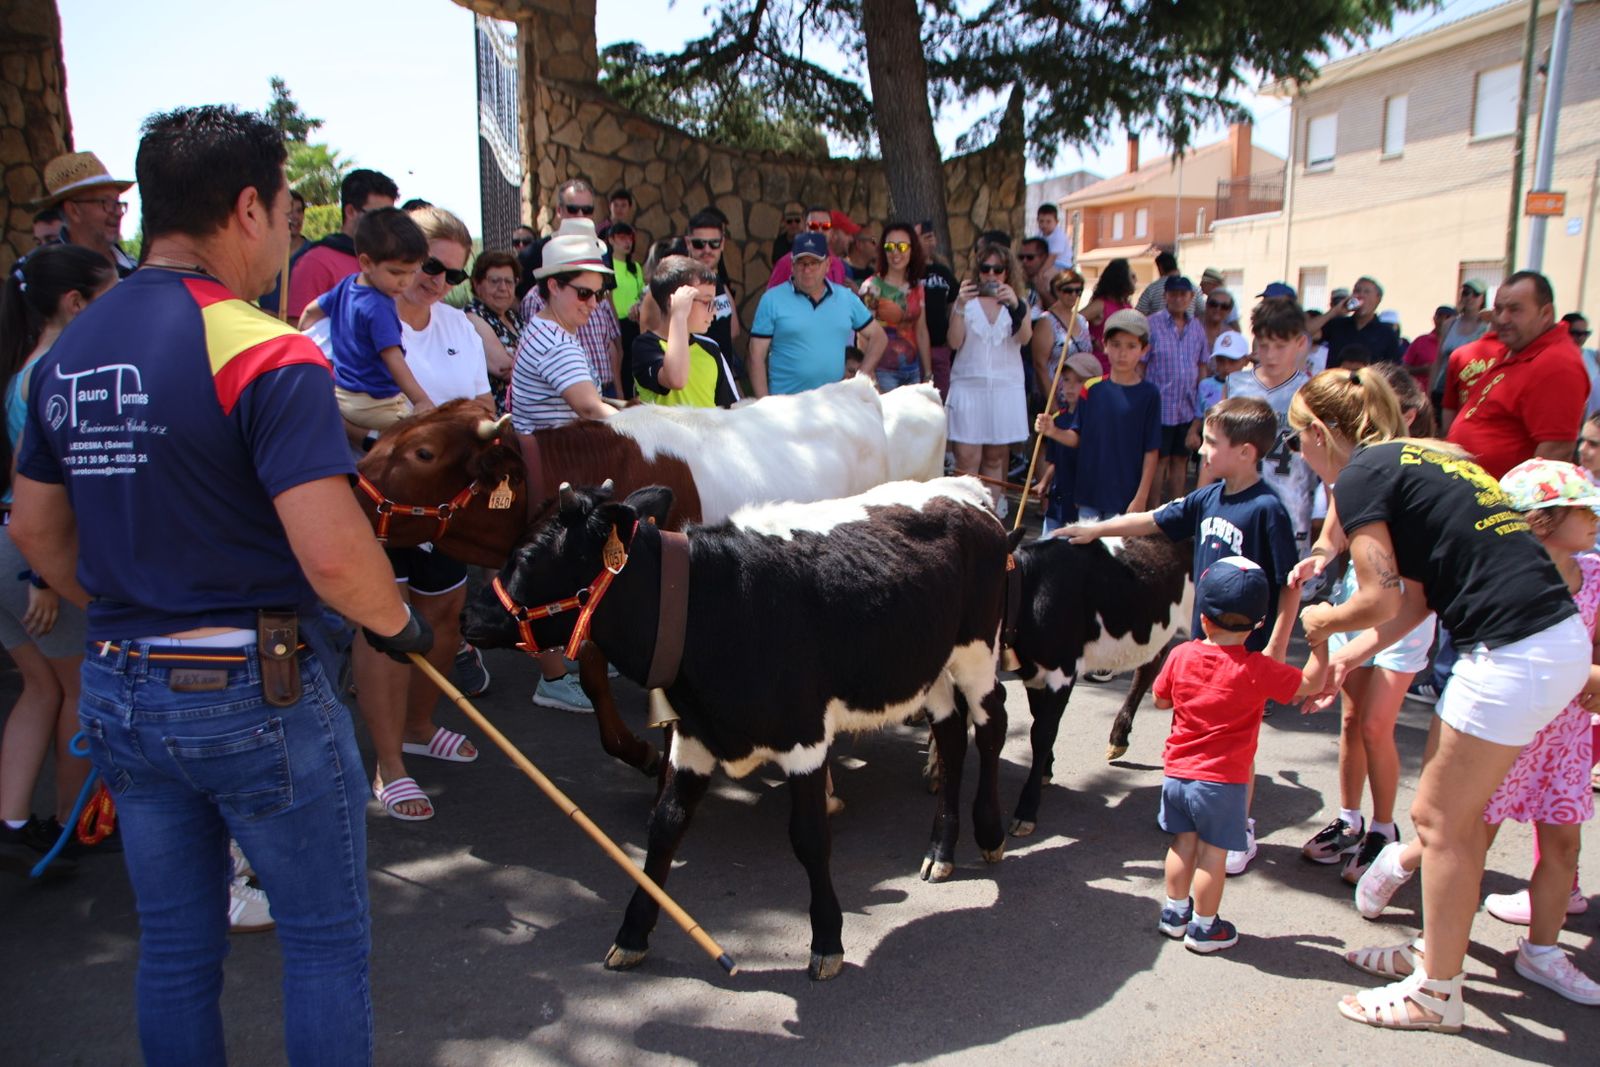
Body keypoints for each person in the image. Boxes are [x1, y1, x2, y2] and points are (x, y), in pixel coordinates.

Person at [10, 103, 432, 1065]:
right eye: (286, 211)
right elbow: (333, 554)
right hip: (253, 685)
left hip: (121, 678)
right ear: (247, 208)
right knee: (323, 942)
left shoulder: (66, 350)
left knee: (174, 948)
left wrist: (131, 606)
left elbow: (34, 527)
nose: (288, 233)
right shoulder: (262, 344)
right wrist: (396, 622)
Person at [1285, 371, 1589, 1033]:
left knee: (1440, 822)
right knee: (1453, 819)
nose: (1297, 451)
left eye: (1295, 438)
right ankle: (1435, 954)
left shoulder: (1361, 472)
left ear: (1317, 434)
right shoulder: (1426, 455)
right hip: (1550, 641)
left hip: (1513, 650)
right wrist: (1349, 653)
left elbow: (1379, 595)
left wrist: (1320, 624)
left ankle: (1436, 991)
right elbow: (1414, 599)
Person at [1062, 396, 1304, 871]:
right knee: (1190, 729)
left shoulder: (1267, 510)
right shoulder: (1208, 497)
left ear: (1247, 452)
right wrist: (1096, 529)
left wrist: (1275, 647)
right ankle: (1192, 808)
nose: (1200, 451)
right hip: (1202, 643)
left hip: (1246, 650)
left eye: (1212, 443)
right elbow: (1153, 520)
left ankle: (1238, 827)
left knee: (1236, 744)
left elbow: (1288, 584)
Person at [352, 204, 492, 822]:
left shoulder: (458, 326)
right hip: (379, 498)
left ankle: (416, 724)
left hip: (445, 503)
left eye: (453, 275)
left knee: (443, 613)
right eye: (429, 267)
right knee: (386, 623)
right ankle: (389, 766)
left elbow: (483, 400)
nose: (437, 282)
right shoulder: (358, 314)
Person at [1296, 363, 1439, 885]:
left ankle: (1384, 828)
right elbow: (1334, 531)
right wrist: (1318, 554)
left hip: (1401, 610)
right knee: (1353, 721)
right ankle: (1350, 820)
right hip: (1366, 598)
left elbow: (1401, 595)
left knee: (1378, 725)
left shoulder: (1392, 468)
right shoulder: (1351, 474)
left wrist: (1328, 623)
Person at [1151, 557, 1328, 953]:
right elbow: (1313, 683)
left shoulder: (1181, 655)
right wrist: (1320, 638)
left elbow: (1160, 701)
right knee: (1213, 855)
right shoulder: (1258, 669)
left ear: (1204, 618)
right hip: (1223, 782)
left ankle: (1174, 914)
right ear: (1258, 624)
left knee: (1182, 843)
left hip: (1177, 775)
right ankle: (1204, 927)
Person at [0, 246, 112, 866]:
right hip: (33, 558)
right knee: (78, 691)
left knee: (39, 689)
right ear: (75, 303)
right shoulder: (60, 370)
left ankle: (15, 819)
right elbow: (36, 486)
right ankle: (78, 825)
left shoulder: (24, 365)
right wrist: (43, 574)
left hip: (8, 554)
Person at [509, 218, 616, 713]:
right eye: (583, 293)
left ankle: (571, 659)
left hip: (553, 464)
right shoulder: (554, 340)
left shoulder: (548, 330)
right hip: (551, 472)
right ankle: (553, 678)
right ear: (552, 285)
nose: (592, 305)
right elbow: (592, 408)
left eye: (598, 295)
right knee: (547, 575)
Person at [298, 207, 433, 430]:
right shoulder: (378, 306)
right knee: (423, 438)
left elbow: (311, 311)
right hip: (374, 403)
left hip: (343, 393)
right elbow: (393, 358)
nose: (405, 282)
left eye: (412, 273)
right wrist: (420, 399)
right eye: (396, 273)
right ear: (366, 262)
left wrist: (305, 337)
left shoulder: (348, 284)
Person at [1442, 271, 1587, 476]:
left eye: (1514, 310)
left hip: (1500, 503)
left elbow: (1555, 453)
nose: (1502, 318)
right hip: (1468, 491)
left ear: (1545, 313)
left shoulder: (1557, 363)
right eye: (1498, 309)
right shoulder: (1517, 348)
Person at [1035, 308, 1159, 521]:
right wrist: (1052, 431)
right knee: (1085, 551)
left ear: (1144, 349)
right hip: (1088, 493)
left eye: (1131, 346)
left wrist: (1141, 496)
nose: (1122, 353)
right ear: (1104, 345)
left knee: (1115, 553)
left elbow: (1151, 450)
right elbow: (1077, 438)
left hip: (1124, 496)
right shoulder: (1091, 389)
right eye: (1116, 345)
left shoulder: (1149, 394)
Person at [1223, 298, 1319, 556]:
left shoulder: (1311, 392)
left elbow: (1327, 458)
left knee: (1289, 583)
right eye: (1264, 346)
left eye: (1280, 345)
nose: (1271, 355)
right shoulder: (1236, 386)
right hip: (1241, 500)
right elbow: (1217, 445)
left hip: (1292, 504)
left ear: (1300, 343)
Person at [946, 242, 1032, 511]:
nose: (992, 275)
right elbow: (954, 341)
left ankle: (992, 514)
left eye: (999, 269)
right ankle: (966, 514)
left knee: (996, 457)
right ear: (978, 271)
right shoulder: (965, 303)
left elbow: (1025, 338)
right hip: (969, 385)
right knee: (967, 458)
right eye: (986, 269)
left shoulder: (1019, 304)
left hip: (1005, 387)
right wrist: (960, 305)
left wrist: (1016, 305)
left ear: (1008, 272)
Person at [748, 231, 886, 397]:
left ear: (827, 265)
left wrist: (860, 379)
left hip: (833, 404)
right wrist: (764, 404)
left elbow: (879, 337)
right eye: (801, 262)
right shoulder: (772, 300)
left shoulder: (846, 298)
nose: (807, 269)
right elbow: (755, 355)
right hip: (786, 406)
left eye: (814, 263)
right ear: (792, 265)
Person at [283, 168, 399, 319]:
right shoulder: (316, 261)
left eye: (390, 217)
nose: (385, 224)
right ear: (351, 211)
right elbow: (297, 327)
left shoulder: (389, 262)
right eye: (377, 216)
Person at [632, 255, 740, 407]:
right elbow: (676, 379)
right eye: (707, 302)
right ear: (675, 302)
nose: (714, 311)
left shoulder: (710, 348)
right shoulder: (645, 346)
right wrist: (679, 315)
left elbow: (729, 409)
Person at [1147, 276, 1210, 504]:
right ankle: (1152, 512)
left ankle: (1175, 512)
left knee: (1180, 461)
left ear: (1191, 298)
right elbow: (1142, 365)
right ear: (1165, 296)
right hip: (1160, 406)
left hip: (1187, 406)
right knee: (1158, 461)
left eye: (1183, 294)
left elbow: (1202, 367)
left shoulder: (1197, 328)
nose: (1178, 298)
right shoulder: (1152, 324)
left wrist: (1202, 404)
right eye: (1173, 293)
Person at [27, 151, 138, 278]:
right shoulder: (40, 275)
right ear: (73, 211)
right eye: (106, 203)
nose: (118, 212)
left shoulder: (134, 269)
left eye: (118, 203)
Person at [1032, 351, 1100, 535]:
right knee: (1047, 543)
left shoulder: (1094, 419)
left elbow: (1079, 443)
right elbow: (1056, 459)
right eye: (1067, 380)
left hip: (1080, 498)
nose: (1070, 386)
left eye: (1079, 381)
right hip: (1058, 497)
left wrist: (1053, 431)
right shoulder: (1057, 418)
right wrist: (1044, 482)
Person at [860, 221, 930, 392]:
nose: (896, 252)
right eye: (890, 246)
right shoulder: (871, 288)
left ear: (912, 250)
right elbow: (862, 337)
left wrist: (928, 373)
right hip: (882, 372)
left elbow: (921, 330)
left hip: (912, 371)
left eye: (903, 247)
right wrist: (869, 373)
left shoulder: (917, 287)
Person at [463, 250, 524, 416]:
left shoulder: (513, 317)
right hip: (498, 416)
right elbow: (502, 366)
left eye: (509, 281)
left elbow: (521, 367)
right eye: (495, 281)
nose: (503, 288)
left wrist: (520, 363)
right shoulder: (472, 316)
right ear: (477, 284)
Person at [516, 178, 598, 299]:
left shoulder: (599, 252)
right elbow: (515, 299)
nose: (580, 215)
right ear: (559, 211)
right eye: (573, 209)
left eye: (587, 210)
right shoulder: (533, 255)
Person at [684, 210, 742, 378]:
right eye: (699, 244)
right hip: (693, 383)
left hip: (722, 379)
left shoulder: (718, 281)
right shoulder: (678, 283)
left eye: (714, 243)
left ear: (723, 243)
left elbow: (734, 329)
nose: (707, 250)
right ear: (688, 243)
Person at [1030, 268, 1092, 412]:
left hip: (1079, 397)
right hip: (1055, 396)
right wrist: (1053, 407)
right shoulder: (1047, 321)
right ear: (1057, 291)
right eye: (1068, 290)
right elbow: (1040, 365)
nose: (1074, 295)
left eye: (1078, 291)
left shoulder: (1081, 320)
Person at [1311, 276, 1402, 366]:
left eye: (1366, 292)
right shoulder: (1337, 324)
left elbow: (1393, 368)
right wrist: (1334, 311)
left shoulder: (1387, 333)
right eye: (1357, 291)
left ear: (1378, 299)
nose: (1361, 295)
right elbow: (1306, 332)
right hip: (1336, 379)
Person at [1430, 278, 1490, 409]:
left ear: (1483, 299)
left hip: (1470, 390)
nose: (1470, 297)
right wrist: (1429, 390)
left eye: (1475, 294)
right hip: (1443, 387)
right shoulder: (1449, 324)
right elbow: (1438, 360)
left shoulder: (1487, 327)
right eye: (1466, 293)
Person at [1185, 329, 1248, 453]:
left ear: (1245, 361)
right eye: (1221, 360)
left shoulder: (1249, 387)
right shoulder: (1205, 385)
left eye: (1233, 361)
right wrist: (1192, 432)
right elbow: (1199, 415)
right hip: (1210, 446)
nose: (1226, 367)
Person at [917, 220, 959, 400]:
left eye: (932, 237)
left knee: (940, 400)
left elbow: (953, 304)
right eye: (925, 237)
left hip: (941, 348)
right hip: (914, 350)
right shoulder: (907, 273)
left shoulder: (943, 272)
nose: (930, 241)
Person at [605, 221, 646, 399]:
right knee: (620, 364)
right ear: (611, 240)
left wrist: (639, 306)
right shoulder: (607, 265)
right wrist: (615, 325)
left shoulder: (635, 267)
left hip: (635, 322)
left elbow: (641, 293)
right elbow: (609, 297)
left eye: (630, 238)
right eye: (622, 238)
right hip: (616, 323)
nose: (627, 242)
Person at [766, 206, 849, 289]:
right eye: (813, 225)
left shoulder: (838, 265)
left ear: (831, 231)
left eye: (825, 226)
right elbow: (770, 299)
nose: (820, 230)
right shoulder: (787, 263)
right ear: (804, 228)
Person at [1082, 257, 1136, 375]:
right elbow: (1072, 322)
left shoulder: (1127, 305)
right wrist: (1091, 340)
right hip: (1101, 368)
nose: (1136, 280)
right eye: (1132, 277)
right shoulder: (1100, 305)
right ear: (1121, 279)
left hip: (1123, 368)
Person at [1402, 305, 1456, 388]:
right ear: (1434, 319)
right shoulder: (1420, 341)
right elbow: (1402, 369)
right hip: (1418, 394)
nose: (1442, 321)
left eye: (1447, 317)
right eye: (1439, 316)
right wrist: (1421, 370)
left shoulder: (1457, 344)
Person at [1017, 237, 1056, 314]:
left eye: (1030, 257)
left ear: (1043, 257)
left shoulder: (1054, 278)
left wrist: (1043, 292)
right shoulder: (1017, 277)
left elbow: (1061, 313)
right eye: (1021, 257)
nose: (1024, 261)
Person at [1036, 202, 1071, 269]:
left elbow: (1052, 257)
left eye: (1048, 221)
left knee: (1045, 275)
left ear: (1056, 222)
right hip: (1046, 263)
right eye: (1041, 221)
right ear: (1037, 221)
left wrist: (1041, 272)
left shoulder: (1058, 236)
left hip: (1062, 265)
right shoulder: (1039, 235)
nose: (1044, 225)